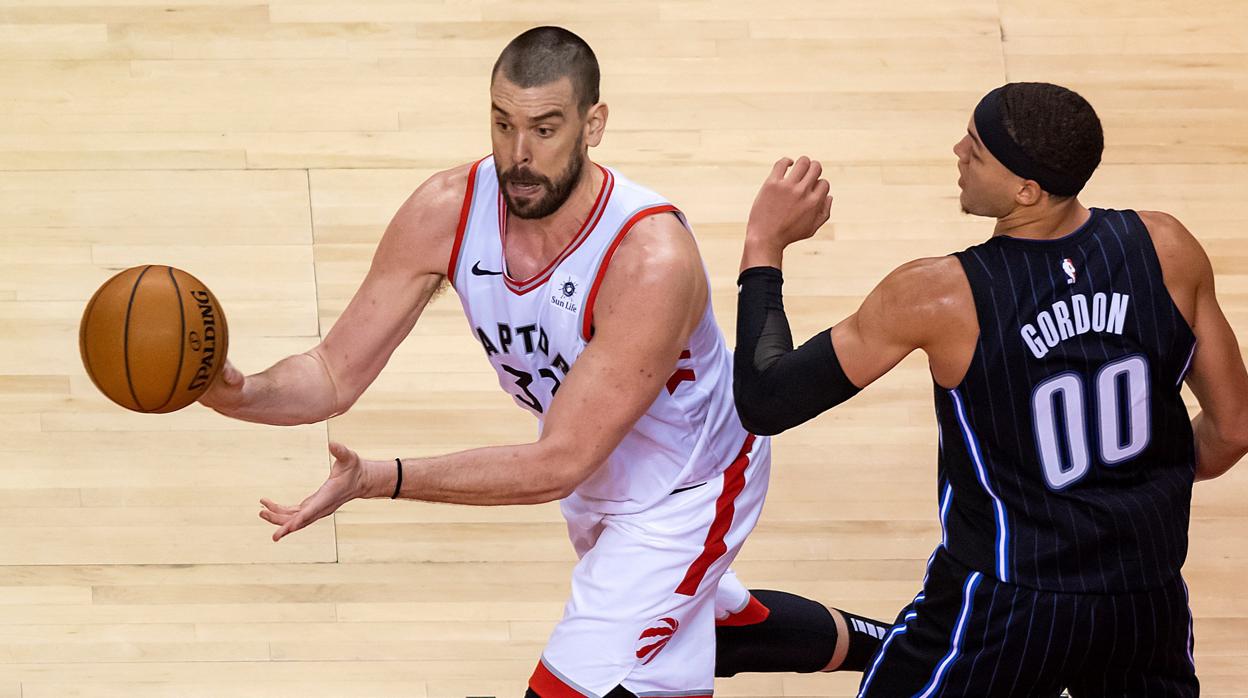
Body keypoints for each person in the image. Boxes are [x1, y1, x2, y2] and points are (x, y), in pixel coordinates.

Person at [200, 26, 883, 698]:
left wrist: (378, 478)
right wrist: (232, 388)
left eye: (545, 129)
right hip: (599, 475)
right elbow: (330, 374)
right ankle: (926, 649)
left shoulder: (647, 259)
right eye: (502, 125)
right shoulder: (446, 210)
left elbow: (556, 463)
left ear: (594, 124)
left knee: (586, 671)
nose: (518, 155)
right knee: (711, 627)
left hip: (690, 488)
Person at [733, 82, 1248, 697]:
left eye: (975, 151)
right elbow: (1234, 427)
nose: (957, 151)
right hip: (1145, 599)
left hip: (1002, 605)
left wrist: (765, 247)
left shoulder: (938, 294)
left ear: (1026, 191)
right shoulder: (1166, 246)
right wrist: (1130, 490)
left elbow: (766, 400)